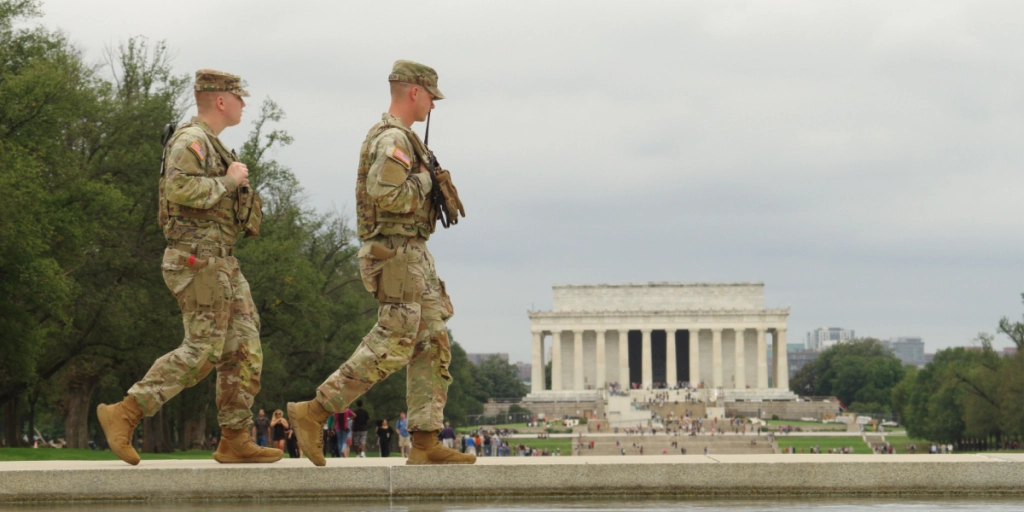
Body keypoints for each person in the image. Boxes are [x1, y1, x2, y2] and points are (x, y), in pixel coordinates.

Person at [287, 60, 472, 467]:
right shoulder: (394, 139)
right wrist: (425, 180)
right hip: (395, 253)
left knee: (432, 341)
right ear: (413, 93)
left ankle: (425, 441)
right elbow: (385, 194)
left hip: (413, 252)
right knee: (394, 342)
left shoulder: (405, 139)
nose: (433, 107)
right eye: (430, 97)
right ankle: (314, 412)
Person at [96, 69, 279, 466]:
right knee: (203, 350)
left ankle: (234, 438)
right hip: (197, 259)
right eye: (239, 97)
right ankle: (125, 412)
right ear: (220, 101)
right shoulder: (191, 140)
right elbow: (179, 189)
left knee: (244, 348)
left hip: (222, 260)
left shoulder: (211, 144)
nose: (244, 104)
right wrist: (229, 183)